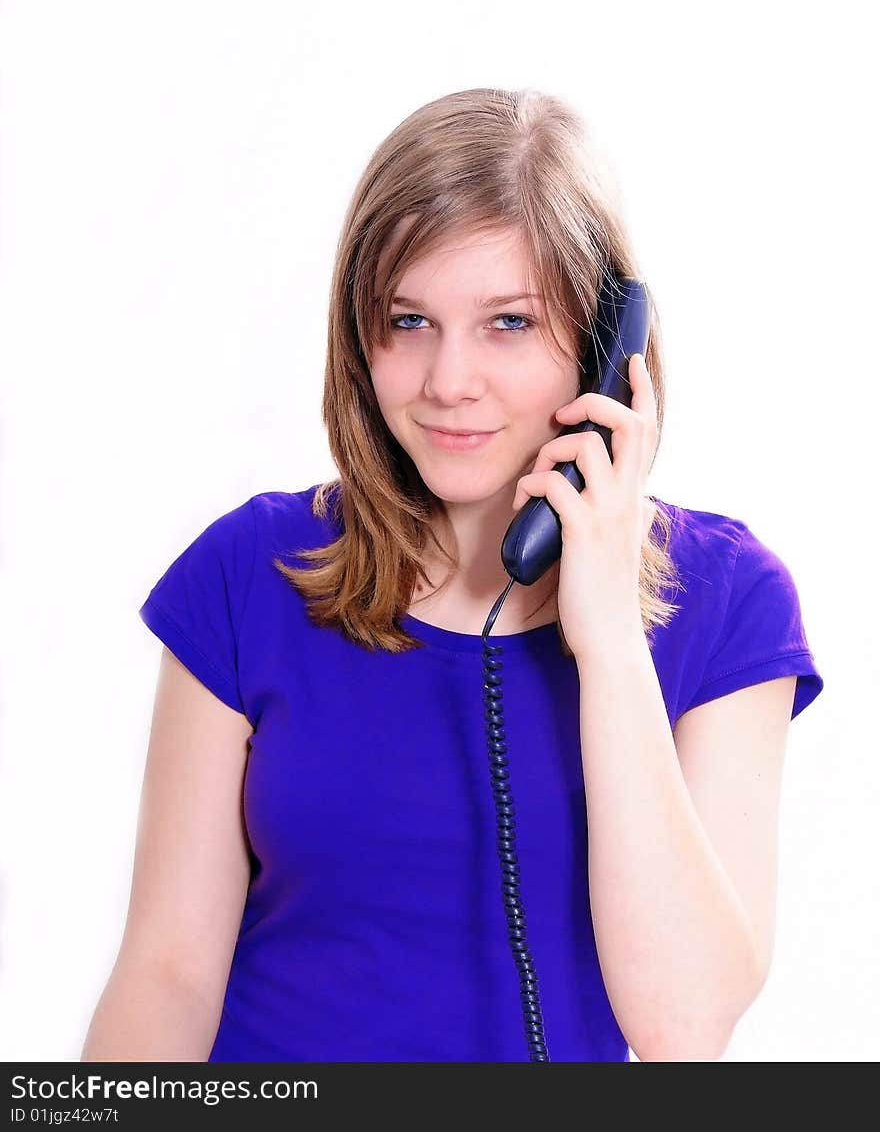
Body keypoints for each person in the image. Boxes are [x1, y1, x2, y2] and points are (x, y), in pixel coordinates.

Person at [81, 87, 824, 1064]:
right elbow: (168, 970)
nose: (446, 381)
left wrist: (602, 633)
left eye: (507, 323)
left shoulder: (727, 600)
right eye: (408, 319)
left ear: (608, 346)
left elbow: (683, 1027)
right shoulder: (246, 574)